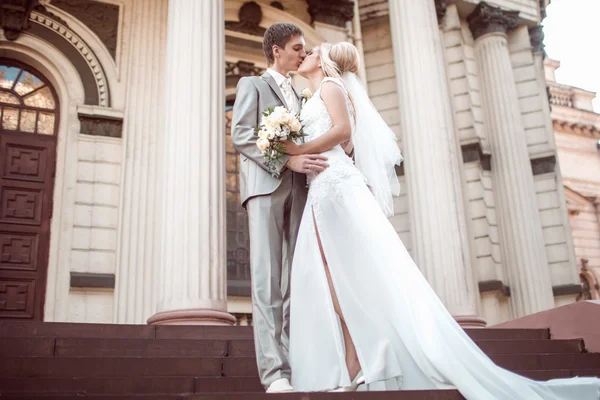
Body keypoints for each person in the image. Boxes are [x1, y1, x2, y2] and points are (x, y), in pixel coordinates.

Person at [283, 41, 600, 399]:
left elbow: (343, 133)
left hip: (335, 186)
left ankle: (365, 350)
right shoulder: (314, 94)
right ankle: (365, 347)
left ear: (325, 61)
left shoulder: (330, 86)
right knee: (333, 272)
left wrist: (297, 150)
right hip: (323, 187)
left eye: (312, 51)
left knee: (338, 268)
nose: (306, 53)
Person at [230, 22, 330, 393]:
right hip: (266, 188)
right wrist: (286, 163)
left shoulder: (303, 94)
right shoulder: (252, 86)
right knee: (268, 279)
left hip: (302, 189)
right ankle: (274, 373)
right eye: (297, 48)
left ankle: (297, 361)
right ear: (277, 50)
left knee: (295, 279)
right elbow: (242, 135)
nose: (303, 54)